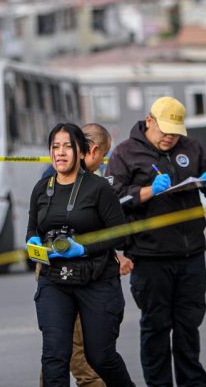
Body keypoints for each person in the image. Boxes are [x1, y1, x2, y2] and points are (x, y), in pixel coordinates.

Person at [105, 97, 206, 387]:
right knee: (156, 329)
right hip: (150, 256)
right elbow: (111, 201)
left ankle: (192, 383)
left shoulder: (191, 148)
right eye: (165, 130)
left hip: (191, 254)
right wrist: (146, 191)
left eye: (175, 131)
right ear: (149, 121)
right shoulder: (124, 154)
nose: (170, 137)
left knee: (188, 327)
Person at [27, 122, 134, 387]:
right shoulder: (41, 189)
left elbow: (120, 235)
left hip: (96, 279)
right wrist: (35, 248)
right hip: (54, 281)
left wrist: (83, 247)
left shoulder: (99, 188)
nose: (60, 153)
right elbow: (32, 231)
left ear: (81, 151)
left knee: (100, 357)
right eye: (55, 147)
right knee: (54, 357)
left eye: (67, 147)